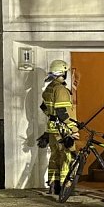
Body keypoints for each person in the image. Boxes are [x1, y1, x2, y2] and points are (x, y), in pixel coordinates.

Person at [40, 59, 78, 195]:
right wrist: (73, 127)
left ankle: (53, 185)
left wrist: (52, 116)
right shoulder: (60, 90)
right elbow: (62, 112)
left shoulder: (49, 88)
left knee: (54, 157)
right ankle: (65, 187)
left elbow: (44, 107)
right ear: (62, 72)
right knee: (67, 157)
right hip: (62, 131)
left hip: (52, 130)